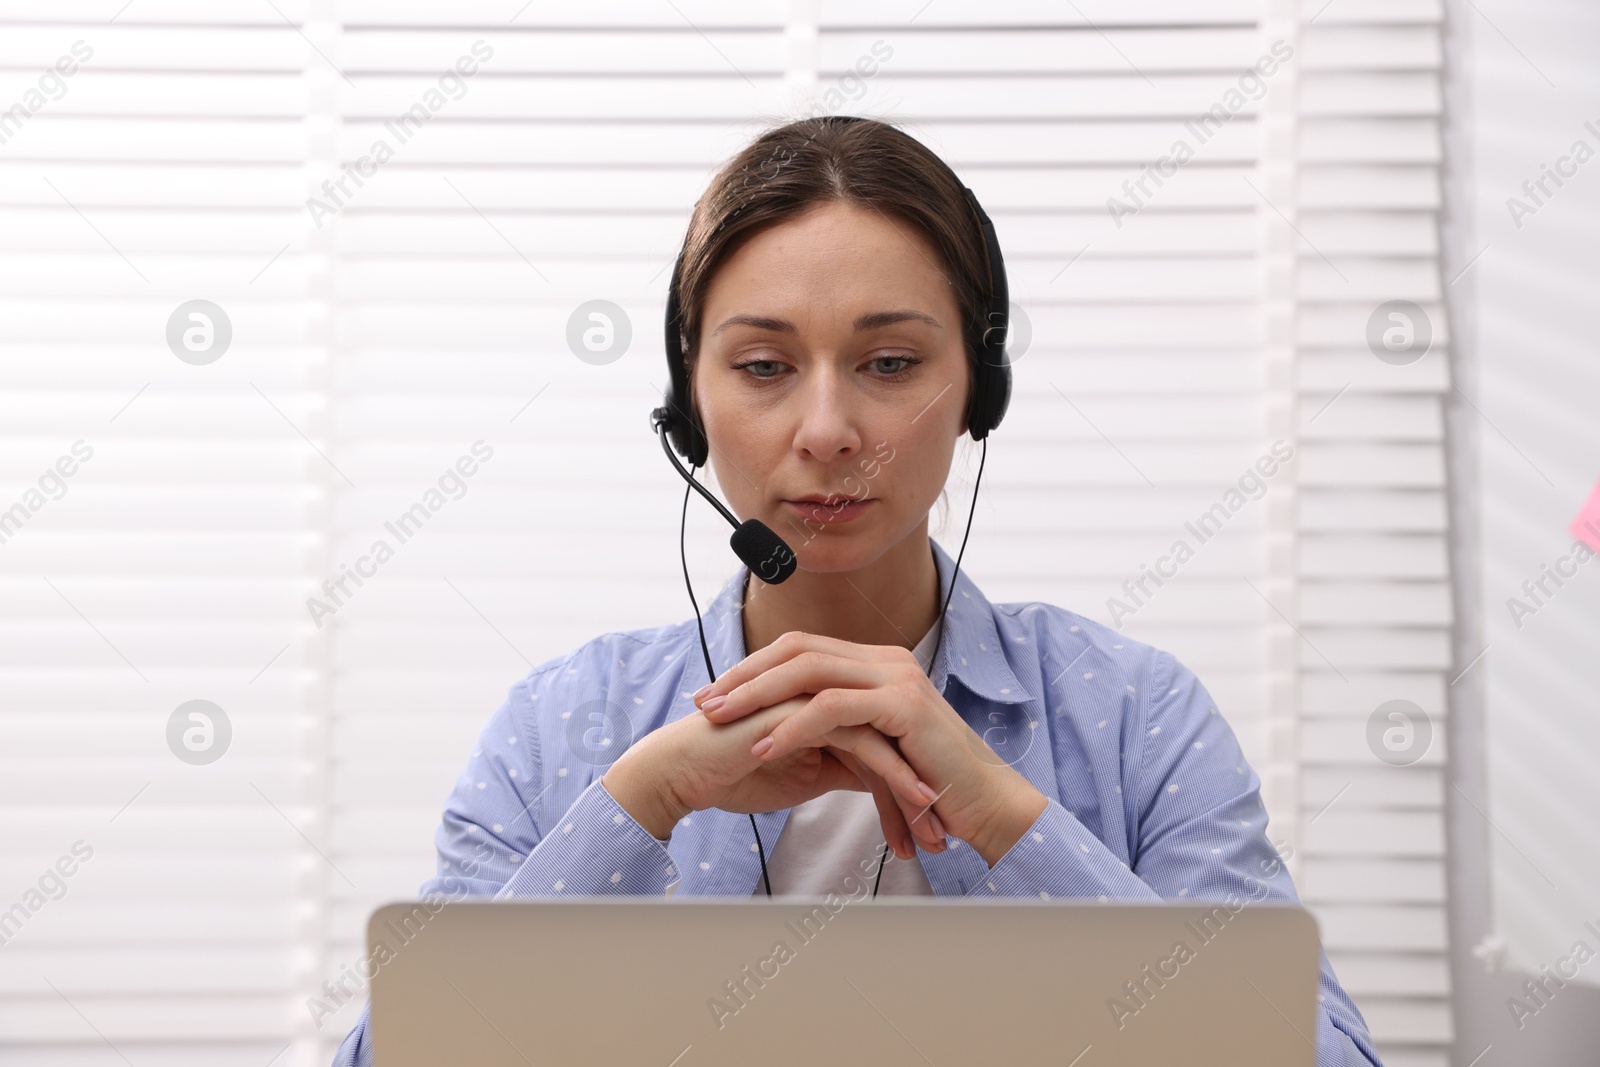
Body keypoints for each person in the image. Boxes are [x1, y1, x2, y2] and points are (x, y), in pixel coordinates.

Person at [332, 116, 1382, 1066]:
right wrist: (640, 801)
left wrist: (1011, 818)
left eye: (887, 362)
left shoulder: (1132, 717)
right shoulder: (564, 724)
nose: (827, 429)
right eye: (761, 366)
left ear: (980, 389)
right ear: (687, 404)